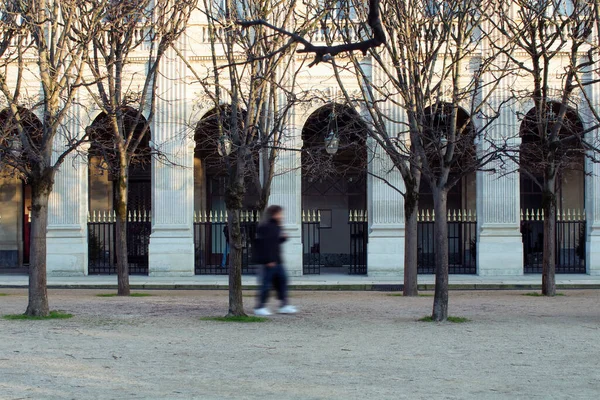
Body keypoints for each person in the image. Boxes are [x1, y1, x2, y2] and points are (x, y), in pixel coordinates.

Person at [253, 205, 297, 316]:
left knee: (282, 281)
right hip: (269, 261)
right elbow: (265, 244)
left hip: (277, 260)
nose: (282, 216)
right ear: (275, 214)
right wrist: (269, 260)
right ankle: (259, 307)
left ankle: (284, 305)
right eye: (280, 213)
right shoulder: (266, 226)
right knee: (266, 284)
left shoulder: (276, 226)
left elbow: (275, 242)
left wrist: (283, 238)